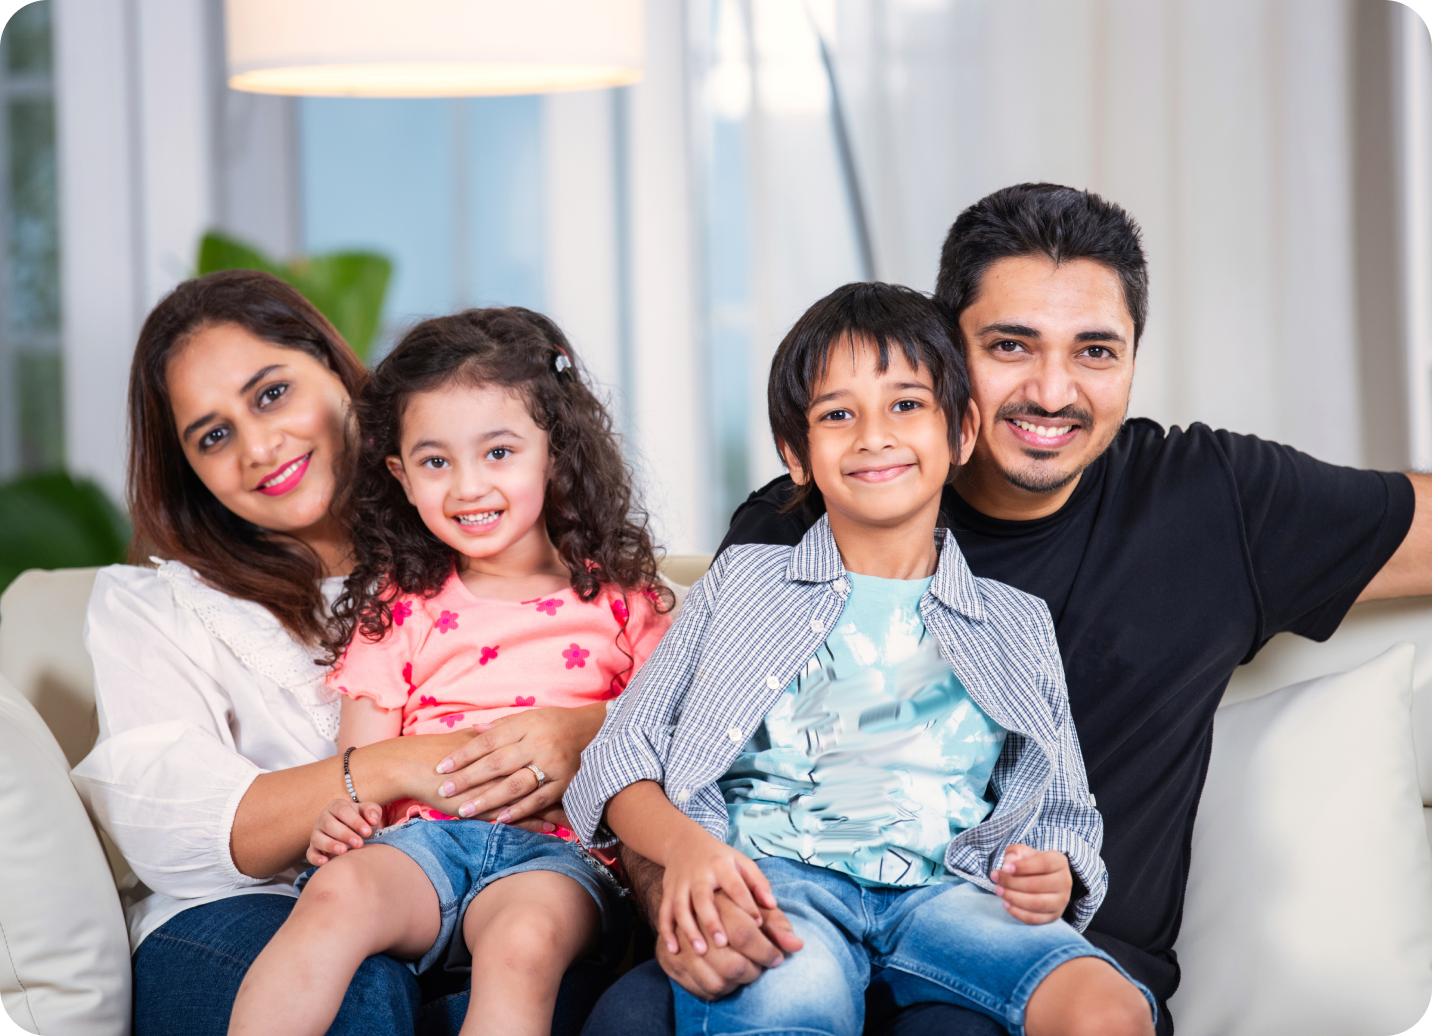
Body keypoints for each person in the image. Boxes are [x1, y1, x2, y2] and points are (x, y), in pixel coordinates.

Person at [585, 183, 1432, 1036]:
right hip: (779, 918)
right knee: (632, 1016)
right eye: (1010, 345)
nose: (1053, 391)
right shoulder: (789, 529)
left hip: (995, 946)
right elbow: (683, 749)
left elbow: (1058, 804)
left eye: (1095, 350)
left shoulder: (1211, 501)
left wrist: (1056, 871)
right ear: (949, 355)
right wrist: (681, 896)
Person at [567, 282, 1157, 1036]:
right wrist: (687, 852)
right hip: (780, 885)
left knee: (1110, 1006)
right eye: (837, 414)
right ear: (797, 455)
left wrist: (1057, 872)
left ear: (962, 432)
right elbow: (622, 750)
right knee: (789, 1006)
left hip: (952, 895)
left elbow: (1064, 807)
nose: (874, 435)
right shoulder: (742, 583)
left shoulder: (1017, 621)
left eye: (906, 404)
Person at [70, 272, 617, 1036]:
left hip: (499, 880)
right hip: (245, 910)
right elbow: (168, 829)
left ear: (337, 372)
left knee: (551, 977)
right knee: (363, 996)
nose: (259, 446)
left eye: (271, 394)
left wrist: (579, 731)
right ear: (187, 468)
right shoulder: (153, 606)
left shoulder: (482, 550)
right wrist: (401, 766)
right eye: (213, 436)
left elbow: (674, 696)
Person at [229, 307, 673, 1036]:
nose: (468, 487)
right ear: (402, 477)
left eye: (498, 452)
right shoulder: (399, 608)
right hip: (418, 847)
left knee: (522, 944)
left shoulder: (629, 604)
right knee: (334, 896)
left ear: (554, 453)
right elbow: (360, 765)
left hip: (558, 857)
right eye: (436, 462)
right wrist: (344, 819)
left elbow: (669, 738)